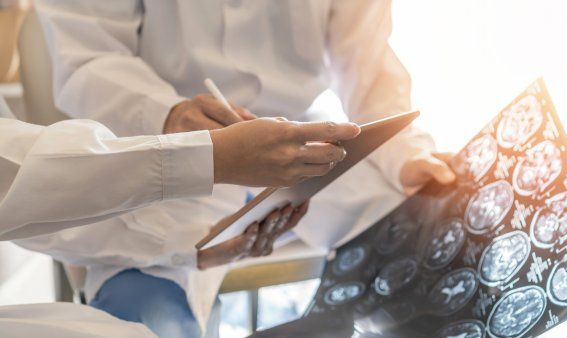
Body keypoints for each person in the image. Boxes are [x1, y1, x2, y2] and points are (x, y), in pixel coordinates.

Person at [23, 1, 457, 337]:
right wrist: (172, 116)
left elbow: (370, 63)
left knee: (434, 255)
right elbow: (87, 59)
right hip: (160, 143)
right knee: (148, 311)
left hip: (307, 145)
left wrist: (406, 154)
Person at [0, 96, 359, 336]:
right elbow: (24, 181)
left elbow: (19, 194)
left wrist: (189, 247)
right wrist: (198, 145)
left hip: (280, 172)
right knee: (148, 313)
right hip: (141, 162)